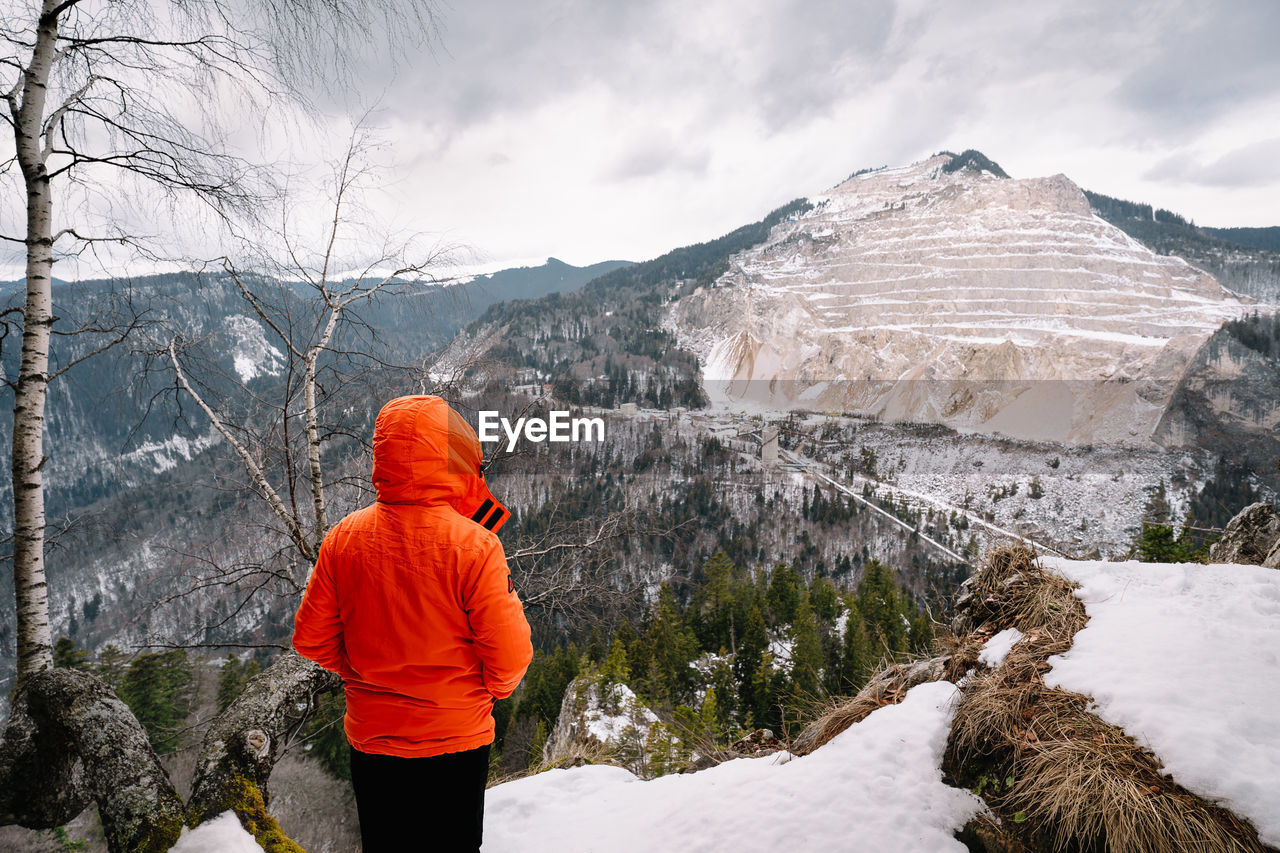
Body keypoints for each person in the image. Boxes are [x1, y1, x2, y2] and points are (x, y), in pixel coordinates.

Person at [293, 395, 533, 852]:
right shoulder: (475, 546)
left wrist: (363, 674)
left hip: (374, 741)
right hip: (456, 741)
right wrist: (481, 691)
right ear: (456, 459)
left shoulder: (343, 539)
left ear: (383, 455)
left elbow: (311, 638)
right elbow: (509, 659)